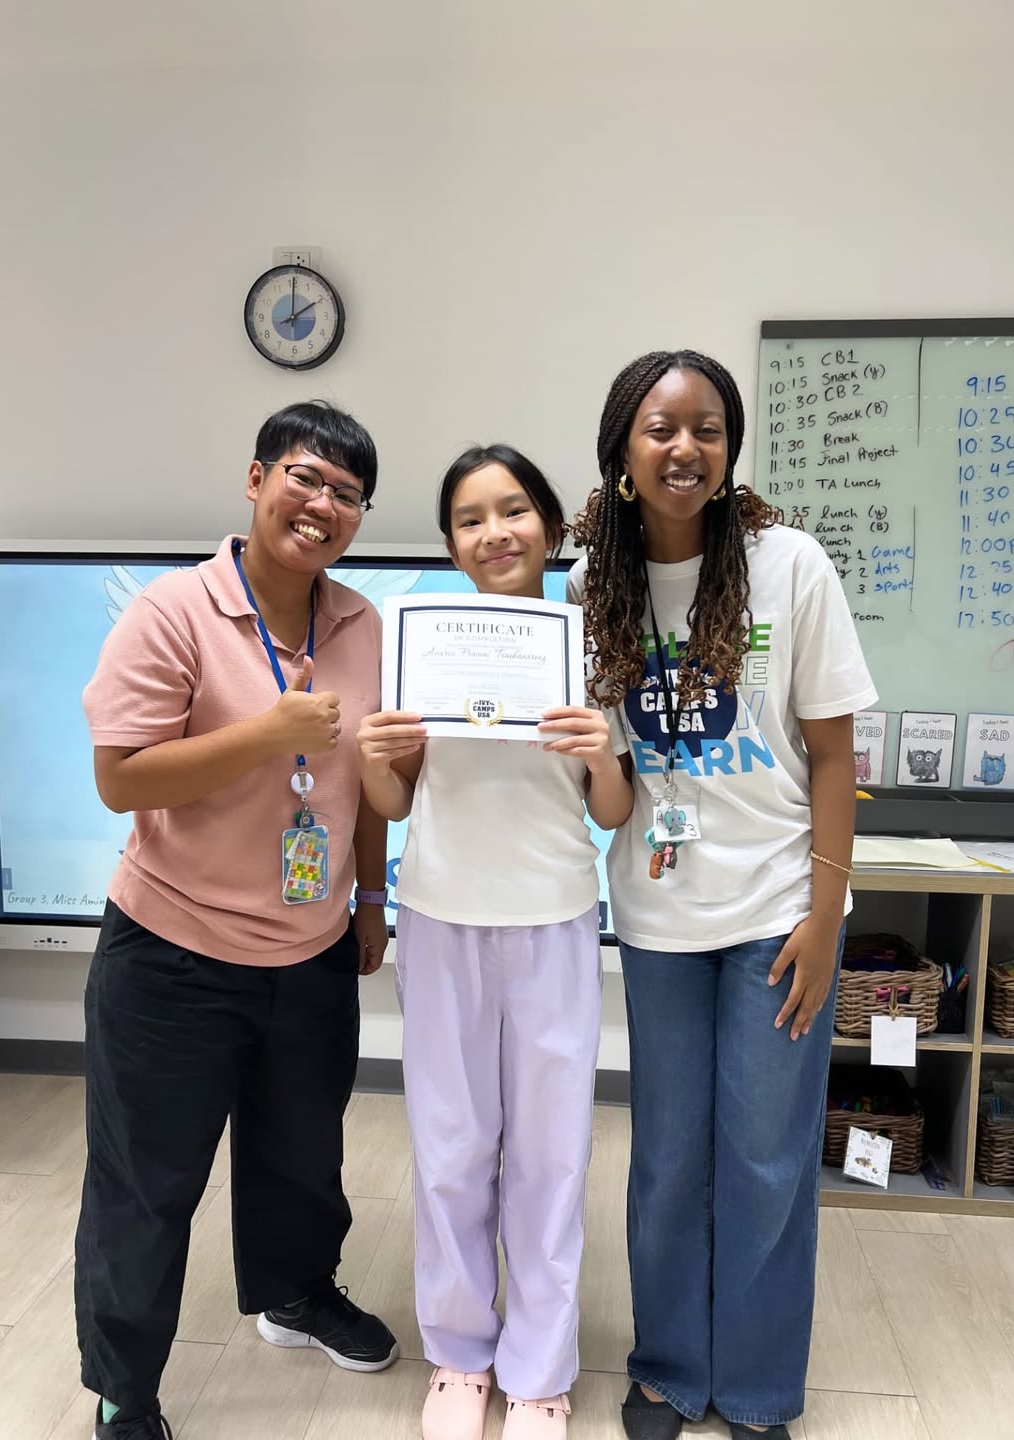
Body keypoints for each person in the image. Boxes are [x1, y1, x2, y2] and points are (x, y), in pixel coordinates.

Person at [75, 400, 399, 1440]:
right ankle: (125, 1389)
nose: (323, 505)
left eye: (348, 493)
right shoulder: (172, 611)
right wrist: (268, 732)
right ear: (256, 480)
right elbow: (122, 779)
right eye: (305, 477)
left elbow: (359, 783)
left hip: (310, 951)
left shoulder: (361, 626)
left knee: (302, 1157)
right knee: (146, 1184)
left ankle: (296, 1294)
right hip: (172, 954)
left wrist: (372, 898)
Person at [569, 351, 877, 1440]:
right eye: (660, 429)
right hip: (658, 917)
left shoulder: (789, 565)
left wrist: (826, 917)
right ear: (622, 452)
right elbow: (608, 781)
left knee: (765, 1158)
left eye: (707, 428)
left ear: (730, 448)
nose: (685, 448)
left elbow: (834, 756)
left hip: (777, 912)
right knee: (666, 1158)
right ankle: (666, 1367)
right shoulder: (590, 588)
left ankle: (753, 1386)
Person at [357, 445, 634, 1440]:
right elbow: (393, 801)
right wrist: (375, 757)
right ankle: (460, 1354)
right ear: (449, 545)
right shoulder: (416, 647)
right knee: (450, 1147)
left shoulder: (592, 646)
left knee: (553, 1155)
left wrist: (602, 754)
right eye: (470, 519)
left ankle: (541, 1371)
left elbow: (613, 809)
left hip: (554, 918)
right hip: (441, 916)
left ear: (551, 527)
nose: (494, 533)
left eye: (513, 511)